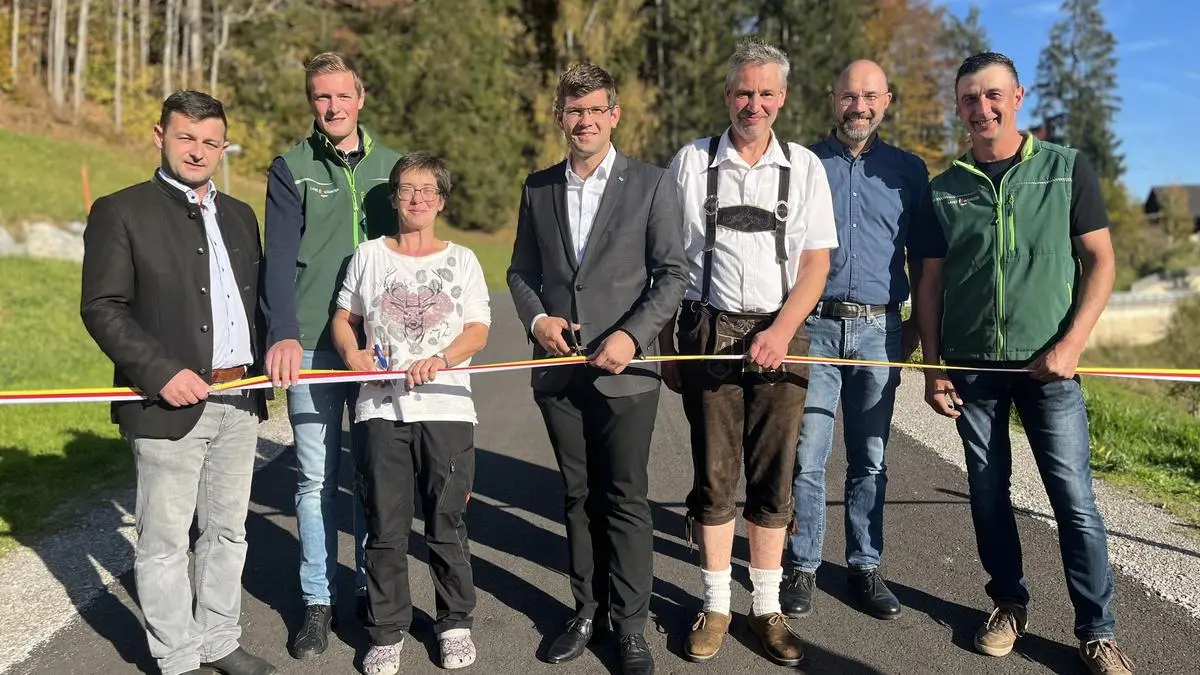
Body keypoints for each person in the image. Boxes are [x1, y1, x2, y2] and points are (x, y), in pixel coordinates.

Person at [912, 52, 1134, 675]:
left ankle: (1097, 630)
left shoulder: (1066, 170)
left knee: (1074, 499)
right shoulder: (944, 188)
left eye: (992, 96)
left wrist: (1072, 345)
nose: (981, 109)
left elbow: (1102, 262)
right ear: (957, 107)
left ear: (1017, 96)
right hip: (973, 370)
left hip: (1050, 367)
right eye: (968, 99)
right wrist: (933, 367)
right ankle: (1008, 604)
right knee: (987, 493)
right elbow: (927, 283)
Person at [80, 91, 275, 675]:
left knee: (227, 534)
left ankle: (219, 640)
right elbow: (102, 307)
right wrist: (162, 373)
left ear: (223, 146)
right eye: (186, 136)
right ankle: (178, 655)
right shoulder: (121, 211)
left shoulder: (241, 215)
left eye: (211, 141)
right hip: (167, 403)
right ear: (159, 135)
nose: (198, 150)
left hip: (240, 399)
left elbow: (252, 307)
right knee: (163, 540)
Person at [507, 62, 688, 675]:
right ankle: (586, 609)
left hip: (626, 373)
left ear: (614, 115)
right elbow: (520, 272)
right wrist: (538, 322)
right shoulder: (537, 188)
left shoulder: (653, 184)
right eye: (573, 110)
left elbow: (673, 275)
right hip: (559, 370)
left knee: (626, 497)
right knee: (578, 496)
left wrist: (633, 338)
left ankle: (632, 624)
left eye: (594, 110)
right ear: (561, 116)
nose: (583, 120)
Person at [660, 39, 837, 667]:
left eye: (765, 93)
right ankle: (715, 604)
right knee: (713, 476)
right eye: (743, 92)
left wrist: (783, 330)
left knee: (773, 477)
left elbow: (817, 264)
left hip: (783, 332)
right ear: (726, 94)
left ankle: (766, 607)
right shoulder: (691, 162)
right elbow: (668, 258)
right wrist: (667, 345)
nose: (753, 104)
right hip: (709, 331)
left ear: (782, 98)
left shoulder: (806, 167)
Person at [259, 52, 401, 660]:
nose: (333, 107)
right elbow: (278, 260)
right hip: (314, 346)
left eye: (342, 96)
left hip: (378, 346)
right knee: (316, 478)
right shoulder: (291, 167)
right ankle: (318, 599)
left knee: (374, 477)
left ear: (360, 97)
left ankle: (375, 593)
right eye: (321, 98)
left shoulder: (394, 166)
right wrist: (281, 333)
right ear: (311, 102)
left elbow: (412, 250)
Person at [780, 60, 929, 622]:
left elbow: (925, 261)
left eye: (869, 97)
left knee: (870, 457)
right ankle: (803, 563)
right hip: (813, 326)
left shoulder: (909, 171)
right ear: (831, 98)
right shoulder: (800, 164)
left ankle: (865, 565)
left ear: (886, 101)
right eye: (848, 96)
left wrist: (916, 330)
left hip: (879, 331)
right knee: (808, 455)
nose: (858, 106)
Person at [331, 152, 490, 674]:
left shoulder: (463, 259)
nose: (416, 198)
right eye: (406, 189)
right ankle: (386, 629)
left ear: (441, 200)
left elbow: (477, 331)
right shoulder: (369, 256)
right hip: (379, 409)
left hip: (446, 408)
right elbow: (343, 318)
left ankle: (455, 623)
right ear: (394, 197)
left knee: (446, 520)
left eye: (427, 190)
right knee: (386, 524)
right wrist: (352, 354)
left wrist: (440, 360)